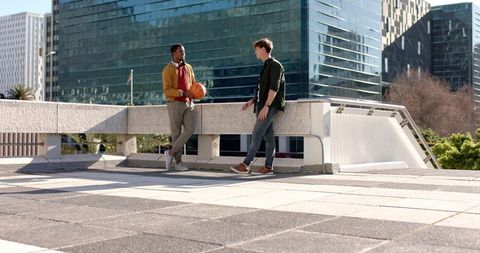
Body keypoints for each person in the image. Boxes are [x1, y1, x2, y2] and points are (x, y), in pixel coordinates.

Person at [231, 38, 285, 175]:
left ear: (262, 48)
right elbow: (264, 89)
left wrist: (266, 106)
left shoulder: (275, 65)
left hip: (269, 106)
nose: (254, 51)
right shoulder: (266, 66)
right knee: (268, 137)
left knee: (256, 134)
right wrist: (252, 101)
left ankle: (246, 164)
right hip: (263, 105)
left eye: (256, 49)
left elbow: (274, 88)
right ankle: (268, 167)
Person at [162, 44, 196, 171]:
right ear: (173, 53)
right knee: (176, 133)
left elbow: (193, 84)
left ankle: (170, 153)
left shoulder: (189, 67)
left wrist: (198, 92)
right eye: (180, 51)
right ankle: (178, 162)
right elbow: (167, 90)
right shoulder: (167, 70)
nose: (183, 54)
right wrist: (181, 93)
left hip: (188, 103)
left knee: (190, 129)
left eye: (184, 52)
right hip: (174, 103)